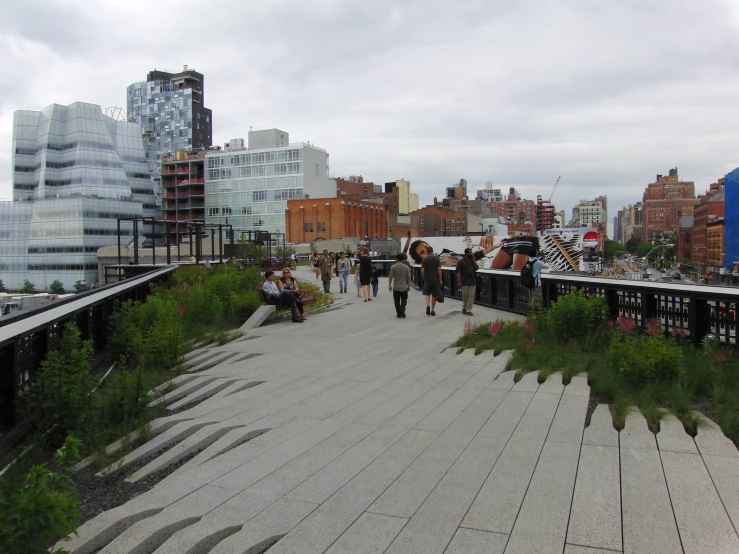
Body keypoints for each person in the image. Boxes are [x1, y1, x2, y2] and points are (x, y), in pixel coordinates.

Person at [388, 253, 412, 318]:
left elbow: (391, 277)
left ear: (397, 259)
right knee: (404, 299)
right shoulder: (406, 267)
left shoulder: (393, 267)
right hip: (404, 286)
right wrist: (409, 286)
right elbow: (409, 277)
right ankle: (402, 307)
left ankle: (398, 314)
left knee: (396, 301)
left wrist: (390, 285)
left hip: (396, 287)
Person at [421, 245, 442, 316]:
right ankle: (432, 310)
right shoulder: (437, 259)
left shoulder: (425, 259)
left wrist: (424, 277)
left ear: (427, 251)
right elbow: (439, 270)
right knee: (434, 295)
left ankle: (427, 305)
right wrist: (440, 279)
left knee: (427, 293)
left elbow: (422, 270)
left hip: (427, 279)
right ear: (432, 251)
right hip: (435, 279)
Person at [456, 248, 478, 316]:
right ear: (466, 253)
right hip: (464, 281)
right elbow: (458, 272)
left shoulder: (472, 261)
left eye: (471, 252)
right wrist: (459, 281)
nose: (471, 253)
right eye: (470, 252)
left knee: (471, 296)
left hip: (472, 281)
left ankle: (468, 310)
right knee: (465, 296)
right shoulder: (461, 262)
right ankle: (464, 308)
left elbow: (477, 268)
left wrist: (474, 261)